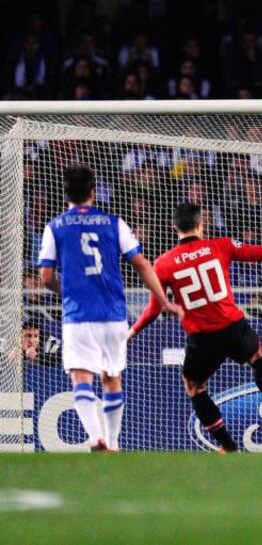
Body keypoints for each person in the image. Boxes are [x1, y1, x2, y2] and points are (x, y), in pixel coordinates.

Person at [128, 203, 262, 453]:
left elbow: (153, 311)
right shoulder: (221, 245)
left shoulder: (163, 264)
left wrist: (131, 333)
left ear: (174, 227)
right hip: (232, 327)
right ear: (201, 224)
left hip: (201, 338)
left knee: (194, 386)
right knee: (256, 356)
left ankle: (228, 446)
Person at [38, 165, 182, 452]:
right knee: (111, 376)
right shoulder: (114, 223)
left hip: (78, 316)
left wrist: (67, 291)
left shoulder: (54, 227)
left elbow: (45, 277)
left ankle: (96, 439)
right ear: (93, 192)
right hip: (113, 314)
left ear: (65, 193)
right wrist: (164, 301)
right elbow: (141, 263)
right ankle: (114, 443)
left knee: (81, 377)